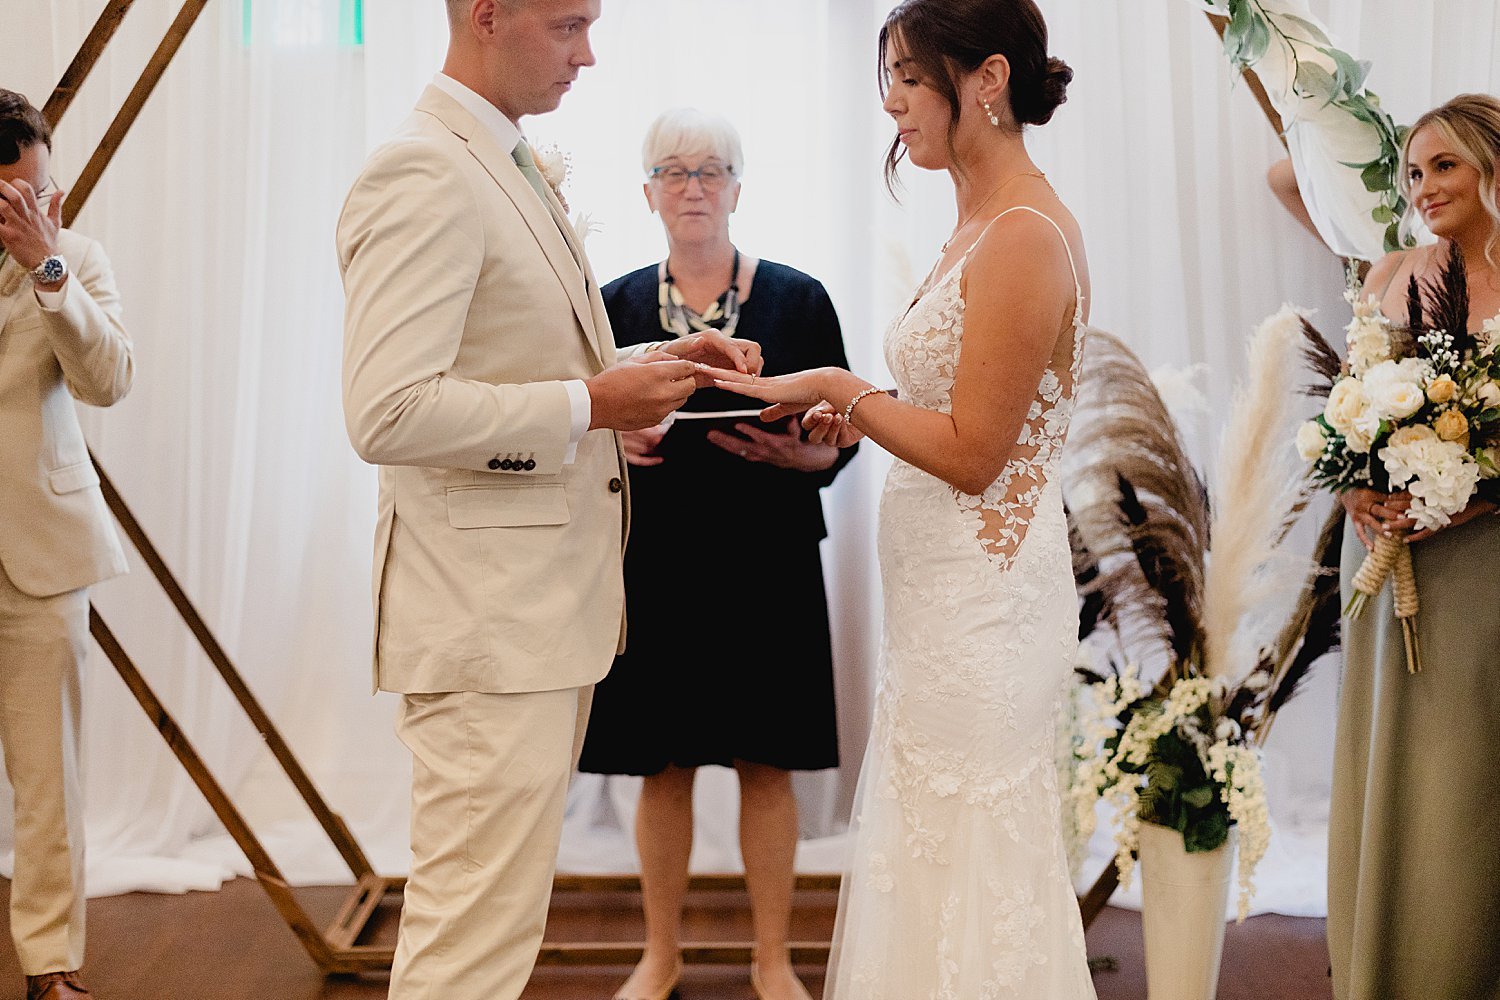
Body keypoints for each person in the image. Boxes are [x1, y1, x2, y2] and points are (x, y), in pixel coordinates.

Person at [335, 3, 759, 998]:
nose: (589, 51)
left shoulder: (500, 156)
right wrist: (593, 403)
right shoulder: (425, 168)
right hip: (488, 620)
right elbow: (387, 412)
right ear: (487, 14)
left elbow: (515, 354)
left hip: (534, 615)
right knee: (468, 949)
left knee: (496, 932)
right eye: (568, 24)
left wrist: (653, 362)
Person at [712, 0, 1097, 994]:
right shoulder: (975, 219)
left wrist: (846, 390)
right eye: (887, 82)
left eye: (909, 80)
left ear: (989, 79)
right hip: (941, 601)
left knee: (978, 852)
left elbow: (976, 456)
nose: (892, 106)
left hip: (989, 604)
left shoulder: (1021, 231)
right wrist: (868, 417)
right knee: (929, 850)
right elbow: (954, 416)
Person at [576, 108, 856, 1000]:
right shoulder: (610, 304)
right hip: (654, 560)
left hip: (766, 558)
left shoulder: (800, 299)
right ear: (647, 192)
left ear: (738, 187)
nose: (692, 187)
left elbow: (842, 434)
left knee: (765, 763)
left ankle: (771, 961)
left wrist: (806, 453)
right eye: (673, 171)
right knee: (662, 767)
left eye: (710, 171)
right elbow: (576, 421)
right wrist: (613, 444)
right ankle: (661, 956)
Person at [1328, 93, 1500, 1000]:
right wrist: (1353, 484)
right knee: (1389, 766)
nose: (1426, 186)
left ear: (1491, 169)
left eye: (1446, 166)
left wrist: (1477, 494)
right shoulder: (1390, 272)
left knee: (1467, 782)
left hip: (1484, 568)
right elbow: (1347, 415)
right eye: (1414, 171)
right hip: (1388, 561)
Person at [0, 89, 134, 1000]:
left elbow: (109, 379)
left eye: (42, 190)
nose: (35, 208)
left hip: (36, 552)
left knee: (49, 777)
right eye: (14, 197)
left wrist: (48, 268)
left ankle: (51, 969)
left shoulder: (73, 258)